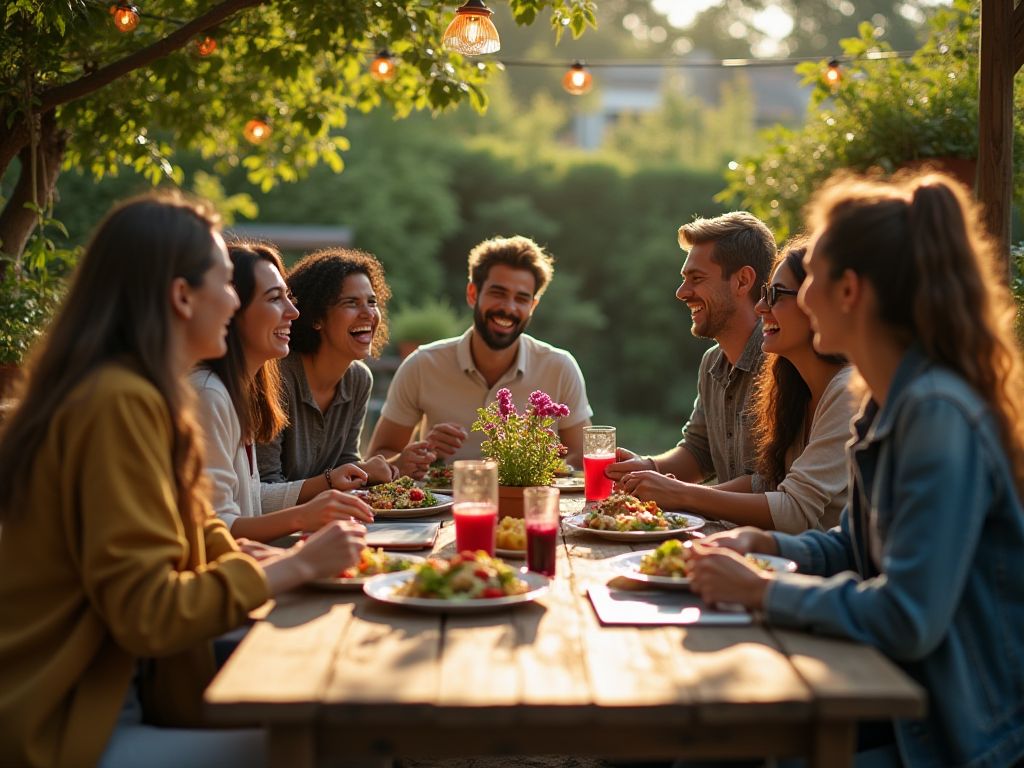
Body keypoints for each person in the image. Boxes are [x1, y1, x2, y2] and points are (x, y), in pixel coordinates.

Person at [0, 193, 365, 768]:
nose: (233, 301)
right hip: (67, 725)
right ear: (181, 296)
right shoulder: (117, 403)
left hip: (130, 692)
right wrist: (296, 567)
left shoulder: (143, 395)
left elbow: (200, 531)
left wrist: (268, 559)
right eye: (225, 283)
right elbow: (148, 612)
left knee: (337, 683)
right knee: (340, 742)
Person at [686, 172, 1024, 767]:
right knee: (712, 739)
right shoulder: (886, 403)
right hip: (894, 692)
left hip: (954, 734)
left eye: (811, 277)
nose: (794, 298)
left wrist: (764, 590)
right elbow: (856, 545)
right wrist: (766, 544)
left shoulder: (936, 415)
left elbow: (908, 617)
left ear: (850, 291)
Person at [618, 240, 854, 532]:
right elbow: (765, 482)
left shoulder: (846, 392)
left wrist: (680, 494)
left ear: (818, 304)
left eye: (776, 295)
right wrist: (651, 472)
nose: (761, 306)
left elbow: (794, 510)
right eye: (765, 294)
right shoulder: (790, 387)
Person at [192, 241, 374, 543]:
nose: (293, 312)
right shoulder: (209, 394)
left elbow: (253, 499)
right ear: (232, 309)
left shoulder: (241, 391)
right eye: (275, 298)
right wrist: (304, 516)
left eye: (289, 297)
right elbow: (215, 526)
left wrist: (327, 490)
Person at [368, 235, 593, 471]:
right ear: (472, 293)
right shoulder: (422, 365)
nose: (509, 307)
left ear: (532, 307)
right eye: (498, 293)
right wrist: (424, 453)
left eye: (521, 298)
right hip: (445, 496)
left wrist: (534, 467)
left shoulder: (560, 367)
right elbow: (378, 457)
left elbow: (581, 457)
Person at [607, 212, 776, 487]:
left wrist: (679, 493)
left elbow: (775, 485)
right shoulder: (712, 363)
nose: (681, 292)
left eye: (696, 278)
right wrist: (647, 467)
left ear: (743, 281)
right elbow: (698, 451)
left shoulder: (782, 362)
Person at [257, 248, 422, 491]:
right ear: (316, 318)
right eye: (351, 303)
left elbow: (347, 463)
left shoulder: (359, 379)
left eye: (372, 302)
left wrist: (394, 466)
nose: (368, 313)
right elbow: (266, 488)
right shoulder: (275, 376)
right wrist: (337, 479)